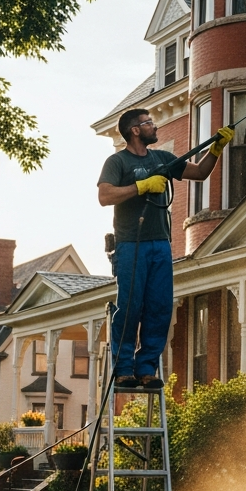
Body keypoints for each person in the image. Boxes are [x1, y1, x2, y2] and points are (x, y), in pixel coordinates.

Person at [98, 107, 233, 389]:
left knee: (159, 307)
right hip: (131, 244)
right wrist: (142, 186)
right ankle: (123, 368)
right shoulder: (117, 161)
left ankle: (146, 368)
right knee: (131, 306)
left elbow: (200, 173)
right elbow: (105, 195)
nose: (154, 127)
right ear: (135, 130)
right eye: (149, 123)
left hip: (160, 243)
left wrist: (217, 148)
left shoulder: (163, 158)